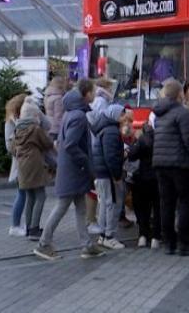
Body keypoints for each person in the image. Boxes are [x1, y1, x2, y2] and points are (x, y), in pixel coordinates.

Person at [34, 79, 108, 261]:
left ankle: (87, 245)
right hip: (74, 170)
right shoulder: (79, 116)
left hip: (71, 170)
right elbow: (71, 145)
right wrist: (86, 162)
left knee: (80, 208)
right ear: (86, 94)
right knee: (62, 206)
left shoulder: (72, 113)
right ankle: (44, 244)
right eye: (93, 91)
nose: (95, 94)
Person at [152, 78, 189, 256]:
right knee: (186, 202)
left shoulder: (159, 113)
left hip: (160, 163)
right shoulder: (182, 113)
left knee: (166, 203)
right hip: (179, 164)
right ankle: (185, 243)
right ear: (180, 94)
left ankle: (169, 243)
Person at [12, 96, 55, 242]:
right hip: (35, 164)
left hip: (22, 165)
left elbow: (12, 148)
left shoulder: (18, 129)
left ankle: (30, 227)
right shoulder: (35, 129)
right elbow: (47, 143)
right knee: (41, 196)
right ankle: (34, 228)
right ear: (33, 115)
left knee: (30, 196)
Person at [91, 102, 128, 249]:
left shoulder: (103, 129)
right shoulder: (111, 131)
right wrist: (117, 175)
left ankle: (102, 235)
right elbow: (111, 157)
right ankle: (109, 236)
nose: (124, 117)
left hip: (101, 173)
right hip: (108, 175)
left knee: (105, 204)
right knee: (113, 204)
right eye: (122, 114)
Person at [128, 118, 162, 249]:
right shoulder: (161, 139)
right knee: (158, 208)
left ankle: (143, 236)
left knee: (143, 209)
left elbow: (132, 155)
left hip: (143, 179)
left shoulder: (141, 140)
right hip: (158, 178)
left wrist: (134, 142)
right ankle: (156, 237)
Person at [4, 92, 29, 237]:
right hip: (20, 162)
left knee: (25, 194)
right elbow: (9, 145)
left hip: (26, 161)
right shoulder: (11, 122)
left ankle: (21, 223)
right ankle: (15, 225)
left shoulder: (22, 120)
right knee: (22, 193)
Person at [44, 75, 67, 141]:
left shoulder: (48, 95)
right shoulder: (58, 98)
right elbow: (58, 115)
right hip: (56, 128)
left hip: (48, 124)